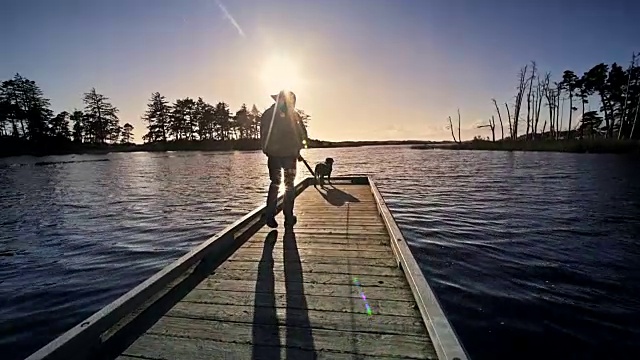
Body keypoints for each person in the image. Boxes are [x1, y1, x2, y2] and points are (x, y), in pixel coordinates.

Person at [260, 90, 308, 228]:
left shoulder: (267, 114)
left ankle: (269, 215)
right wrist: (298, 148)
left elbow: (263, 133)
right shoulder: (294, 114)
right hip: (289, 156)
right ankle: (288, 217)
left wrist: (266, 149)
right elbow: (302, 134)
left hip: (273, 155)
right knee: (289, 185)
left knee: (275, 183)